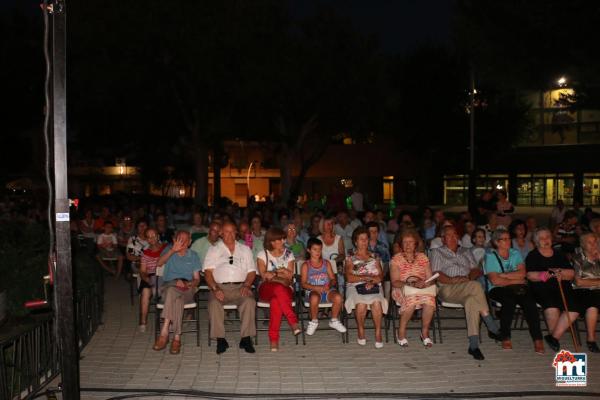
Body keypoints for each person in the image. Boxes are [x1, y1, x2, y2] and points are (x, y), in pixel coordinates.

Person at [430, 226, 501, 360]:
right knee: (476, 286)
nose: (452, 237)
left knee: (472, 301)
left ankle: (473, 346)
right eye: (449, 235)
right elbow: (436, 273)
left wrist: (468, 278)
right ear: (443, 239)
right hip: (447, 288)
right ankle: (491, 325)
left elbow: (476, 269)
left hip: (467, 285)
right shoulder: (437, 252)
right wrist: (452, 280)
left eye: (455, 234)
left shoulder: (466, 251)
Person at [483, 228, 544, 353]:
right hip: (497, 289)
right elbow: (495, 281)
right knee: (509, 301)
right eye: (504, 239)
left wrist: (504, 275)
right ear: (496, 242)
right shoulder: (490, 256)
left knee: (529, 302)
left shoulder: (515, 253)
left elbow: (522, 274)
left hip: (516, 287)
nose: (508, 241)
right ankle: (505, 336)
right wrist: (514, 278)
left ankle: (538, 339)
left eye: (509, 238)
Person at [204, 222, 257, 354]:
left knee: (249, 302)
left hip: (241, 286)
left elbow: (251, 272)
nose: (230, 234)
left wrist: (247, 285)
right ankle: (220, 339)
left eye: (232, 231)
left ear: (236, 233)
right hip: (220, 287)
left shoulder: (245, 249)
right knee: (214, 303)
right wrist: (215, 289)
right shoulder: (214, 249)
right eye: (226, 232)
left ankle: (246, 338)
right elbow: (208, 273)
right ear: (221, 233)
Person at [525, 227, 577, 352]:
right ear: (536, 241)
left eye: (547, 237)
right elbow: (530, 275)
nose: (545, 240)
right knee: (551, 304)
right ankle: (554, 338)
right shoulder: (533, 255)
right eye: (542, 238)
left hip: (562, 287)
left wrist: (560, 272)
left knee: (575, 306)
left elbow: (571, 273)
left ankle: (553, 337)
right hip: (542, 288)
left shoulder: (559, 254)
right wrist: (543, 275)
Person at [548, 233, 600, 352]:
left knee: (592, 303)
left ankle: (554, 337)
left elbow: (584, 281)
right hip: (579, 291)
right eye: (590, 242)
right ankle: (590, 340)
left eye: (595, 242)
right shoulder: (577, 258)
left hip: (596, 292)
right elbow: (579, 282)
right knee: (580, 306)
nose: (593, 245)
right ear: (583, 245)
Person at [152, 231, 201, 354]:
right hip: (169, 285)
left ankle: (164, 332)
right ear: (175, 240)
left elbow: (197, 279)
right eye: (180, 239)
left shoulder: (193, 255)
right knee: (176, 297)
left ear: (190, 242)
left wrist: (187, 284)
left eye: (186, 240)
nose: (183, 242)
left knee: (173, 292)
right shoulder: (169, 251)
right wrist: (172, 251)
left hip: (187, 288)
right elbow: (158, 264)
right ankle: (176, 337)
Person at [257, 227, 300, 351]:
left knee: (276, 301)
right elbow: (264, 275)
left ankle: (273, 340)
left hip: (285, 288)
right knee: (278, 289)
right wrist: (280, 272)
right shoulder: (263, 254)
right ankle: (293, 322)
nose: (282, 241)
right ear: (271, 241)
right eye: (279, 239)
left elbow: (290, 275)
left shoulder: (288, 254)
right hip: (266, 288)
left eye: (283, 238)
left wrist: (274, 273)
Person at [390, 229, 436, 347]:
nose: (408, 245)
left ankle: (425, 333)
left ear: (416, 244)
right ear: (401, 244)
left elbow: (430, 278)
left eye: (411, 242)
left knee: (430, 301)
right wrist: (411, 284)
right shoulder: (396, 259)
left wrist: (425, 283)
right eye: (405, 242)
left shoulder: (423, 257)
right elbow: (395, 282)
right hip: (402, 289)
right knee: (411, 301)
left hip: (421, 289)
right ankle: (401, 332)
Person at [344, 226, 388, 348]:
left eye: (366, 239)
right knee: (361, 304)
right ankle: (361, 330)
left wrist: (373, 282)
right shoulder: (350, 257)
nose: (364, 242)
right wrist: (365, 278)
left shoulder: (375, 256)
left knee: (377, 302)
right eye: (361, 239)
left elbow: (380, 276)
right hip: (355, 286)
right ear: (355, 241)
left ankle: (378, 332)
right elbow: (349, 277)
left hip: (373, 286)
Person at [301, 238, 347, 336]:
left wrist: (329, 285)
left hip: (327, 290)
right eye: (315, 249)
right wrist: (316, 288)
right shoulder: (306, 265)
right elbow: (303, 284)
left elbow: (333, 279)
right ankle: (314, 321)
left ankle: (334, 320)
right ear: (309, 250)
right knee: (314, 297)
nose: (318, 252)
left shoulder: (326, 263)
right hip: (313, 291)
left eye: (320, 249)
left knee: (338, 298)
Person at [138, 228, 167, 332]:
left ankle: (165, 320)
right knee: (145, 291)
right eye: (149, 237)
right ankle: (143, 321)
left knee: (166, 290)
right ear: (146, 239)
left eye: (153, 236)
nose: (152, 239)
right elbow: (142, 271)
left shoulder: (165, 249)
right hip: (150, 277)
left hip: (164, 277)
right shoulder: (145, 253)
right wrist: (146, 279)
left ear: (158, 236)